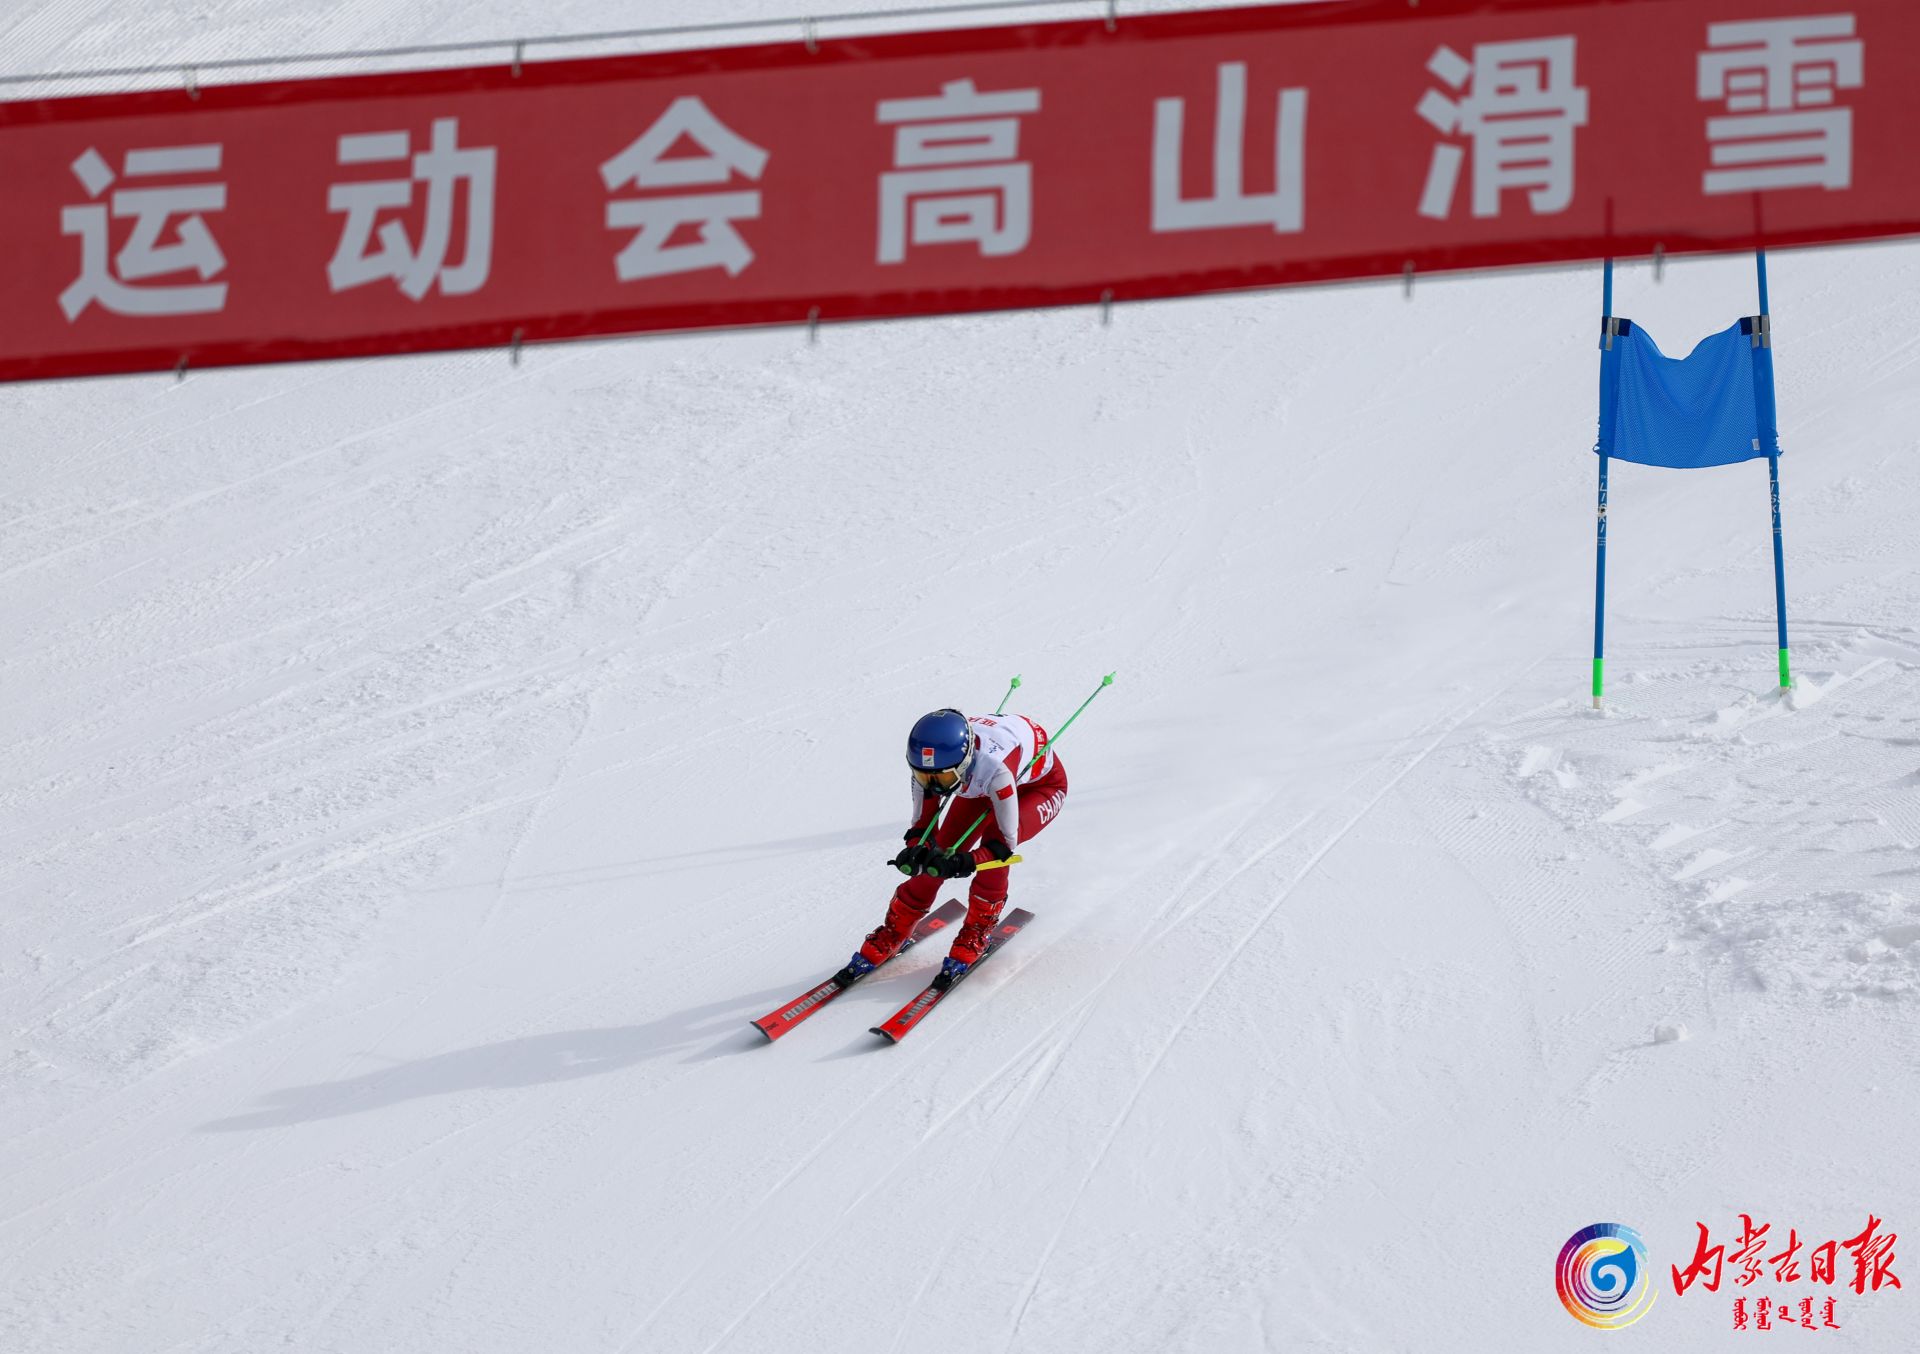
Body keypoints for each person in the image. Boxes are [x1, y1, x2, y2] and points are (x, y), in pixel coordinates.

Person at [836, 707, 1068, 990]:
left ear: (965, 760)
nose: (935, 786)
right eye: (925, 778)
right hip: (976, 786)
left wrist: (965, 862)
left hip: (1038, 788)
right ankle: (894, 931)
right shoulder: (930, 768)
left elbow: (1002, 849)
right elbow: (922, 826)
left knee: (991, 856)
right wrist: (916, 850)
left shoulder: (995, 770)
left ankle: (977, 931)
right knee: (939, 852)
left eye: (943, 780)